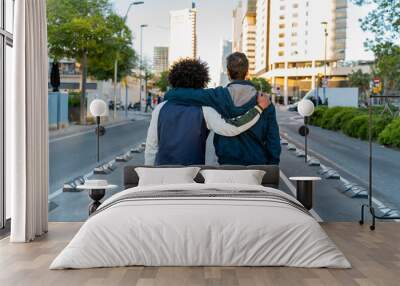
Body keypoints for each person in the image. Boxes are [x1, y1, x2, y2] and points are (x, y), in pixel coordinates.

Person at [145, 58, 270, 166]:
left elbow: (151, 147)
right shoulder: (205, 110)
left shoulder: (160, 108)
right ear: (201, 81)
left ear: (174, 80)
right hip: (193, 175)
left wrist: (149, 174)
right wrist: (259, 108)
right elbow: (232, 128)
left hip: (162, 173)